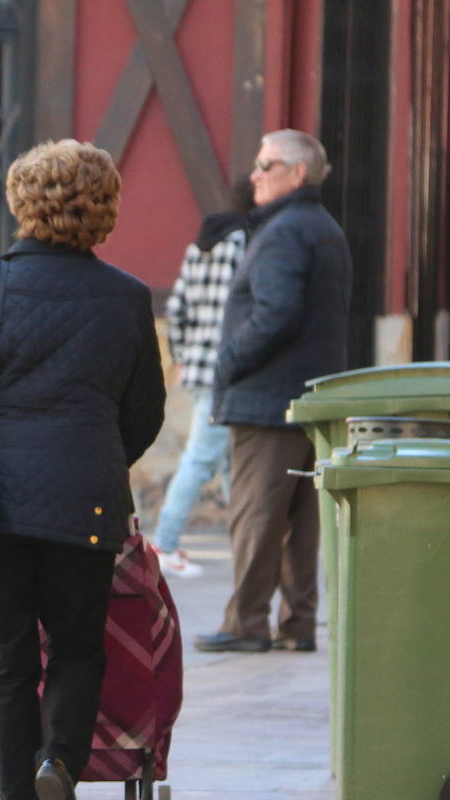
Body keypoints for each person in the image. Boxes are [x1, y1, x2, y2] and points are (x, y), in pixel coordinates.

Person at [0, 139, 165, 800]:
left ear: (21, 202)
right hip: (86, 498)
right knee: (79, 647)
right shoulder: (125, 297)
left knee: (10, 666)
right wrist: (97, 458)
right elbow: (144, 411)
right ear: (105, 209)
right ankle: (59, 760)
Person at [194, 129, 351, 653]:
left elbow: (275, 313)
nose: (254, 174)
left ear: (297, 174)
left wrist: (229, 361)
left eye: (267, 164)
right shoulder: (324, 227)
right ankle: (297, 623)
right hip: (309, 398)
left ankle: (246, 622)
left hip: (268, 399)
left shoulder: (284, 231)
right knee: (300, 523)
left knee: (258, 516)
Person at [152, 180, 254, 578]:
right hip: (226, 368)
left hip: (196, 365)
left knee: (229, 460)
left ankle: (245, 545)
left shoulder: (201, 245)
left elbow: (176, 308)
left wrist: (180, 354)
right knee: (201, 458)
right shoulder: (246, 245)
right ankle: (166, 542)